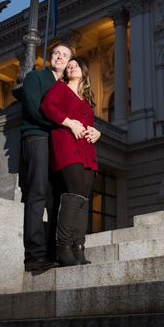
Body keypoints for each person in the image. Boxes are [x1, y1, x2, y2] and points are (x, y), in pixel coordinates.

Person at [19, 43, 99, 272]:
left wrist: (92, 131)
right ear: (50, 58)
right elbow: (36, 108)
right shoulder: (36, 77)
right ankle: (35, 255)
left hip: (58, 142)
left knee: (57, 197)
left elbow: (81, 118)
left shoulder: (65, 86)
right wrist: (64, 124)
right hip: (37, 137)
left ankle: (55, 251)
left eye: (66, 56)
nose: (61, 58)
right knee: (36, 194)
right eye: (57, 54)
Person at [40, 57, 99, 266]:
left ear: (83, 71)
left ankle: (78, 249)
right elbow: (47, 107)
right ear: (66, 72)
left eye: (76, 65)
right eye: (70, 66)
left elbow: (90, 125)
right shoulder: (59, 88)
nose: (72, 67)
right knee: (73, 194)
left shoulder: (86, 100)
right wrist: (68, 123)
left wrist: (96, 132)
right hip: (66, 144)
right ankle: (63, 249)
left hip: (87, 151)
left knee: (83, 198)